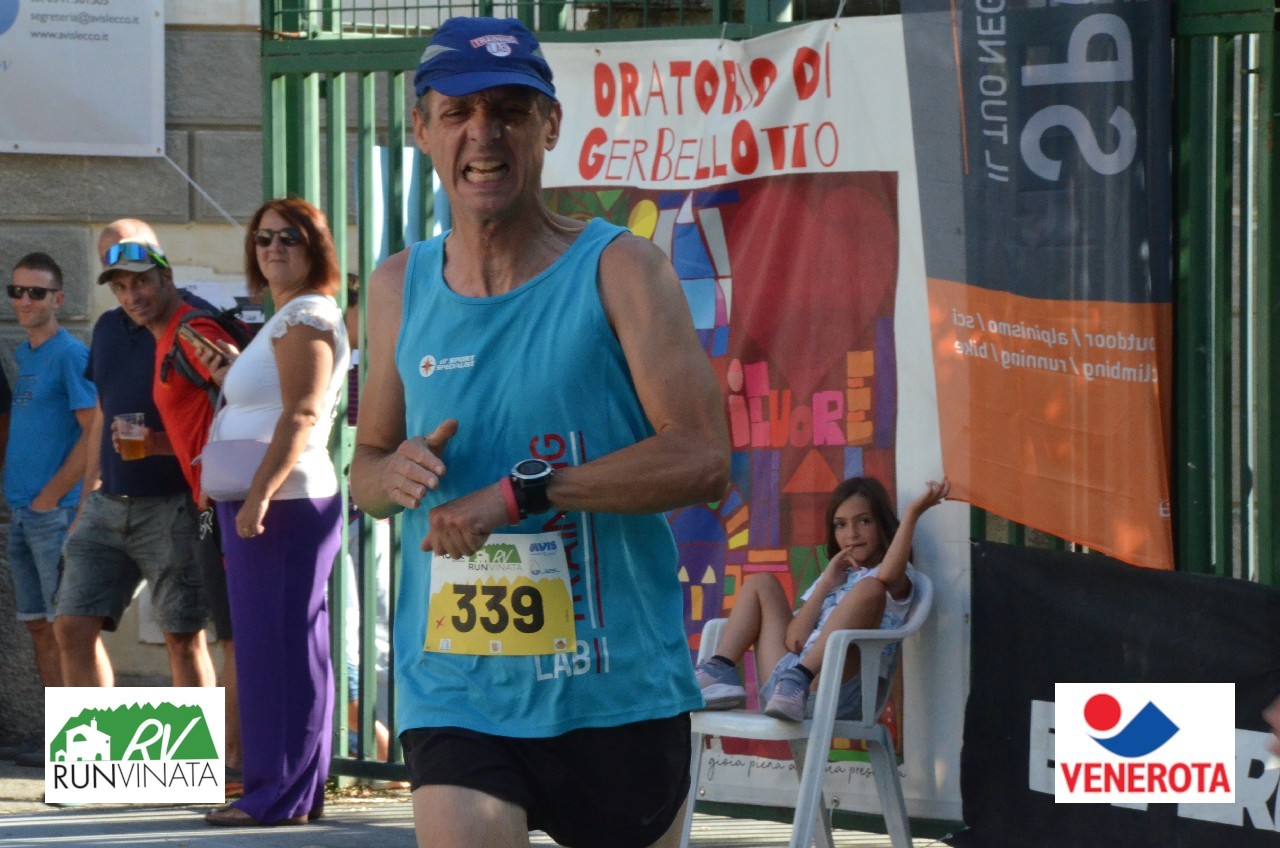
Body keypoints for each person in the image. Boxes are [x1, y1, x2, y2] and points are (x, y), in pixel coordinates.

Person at [349, 17, 729, 848]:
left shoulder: (623, 269)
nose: (484, 134)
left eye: (510, 111)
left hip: (615, 688)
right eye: (458, 112)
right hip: (457, 688)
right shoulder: (397, 285)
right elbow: (366, 471)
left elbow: (703, 458)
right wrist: (394, 473)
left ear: (549, 125)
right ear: (422, 128)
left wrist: (522, 495)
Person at [200, 197, 349, 827]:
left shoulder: (308, 315)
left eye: (289, 237)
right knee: (290, 647)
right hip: (275, 499)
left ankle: (273, 796)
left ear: (315, 247)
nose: (273, 248)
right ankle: (295, 793)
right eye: (263, 238)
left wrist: (259, 494)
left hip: (282, 502)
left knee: (273, 652)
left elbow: (304, 413)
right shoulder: (286, 317)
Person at [54, 226, 216, 691]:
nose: (131, 294)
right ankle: (98, 739)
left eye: (140, 280)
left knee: (182, 638)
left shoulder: (197, 324)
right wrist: (86, 498)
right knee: (71, 626)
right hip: (107, 504)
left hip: (175, 505)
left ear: (166, 274)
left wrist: (159, 443)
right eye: (120, 284)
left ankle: (191, 742)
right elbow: (101, 416)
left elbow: (224, 416)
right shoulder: (108, 327)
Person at [694, 477, 949, 721]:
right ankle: (720, 669)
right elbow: (794, 641)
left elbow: (887, 576)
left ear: (883, 524)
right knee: (761, 582)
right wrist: (826, 584)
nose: (852, 534)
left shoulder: (896, 578)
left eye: (864, 521)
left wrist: (912, 514)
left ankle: (800, 677)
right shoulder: (837, 576)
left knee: (870, 588)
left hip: (840, 692)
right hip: (786, 691)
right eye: (841, 525)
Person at [2, 253, 96, 696]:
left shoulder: (71, 354)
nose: (25, 300)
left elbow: (95, 431)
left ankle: (92, 731)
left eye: (36, 292)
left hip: (55, 514)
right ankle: (57, 731)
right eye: (17, 291)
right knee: (39, 627)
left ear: (58, 299)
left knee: (70, 630)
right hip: (23, 513)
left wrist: (50, 497)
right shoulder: (26, 354)